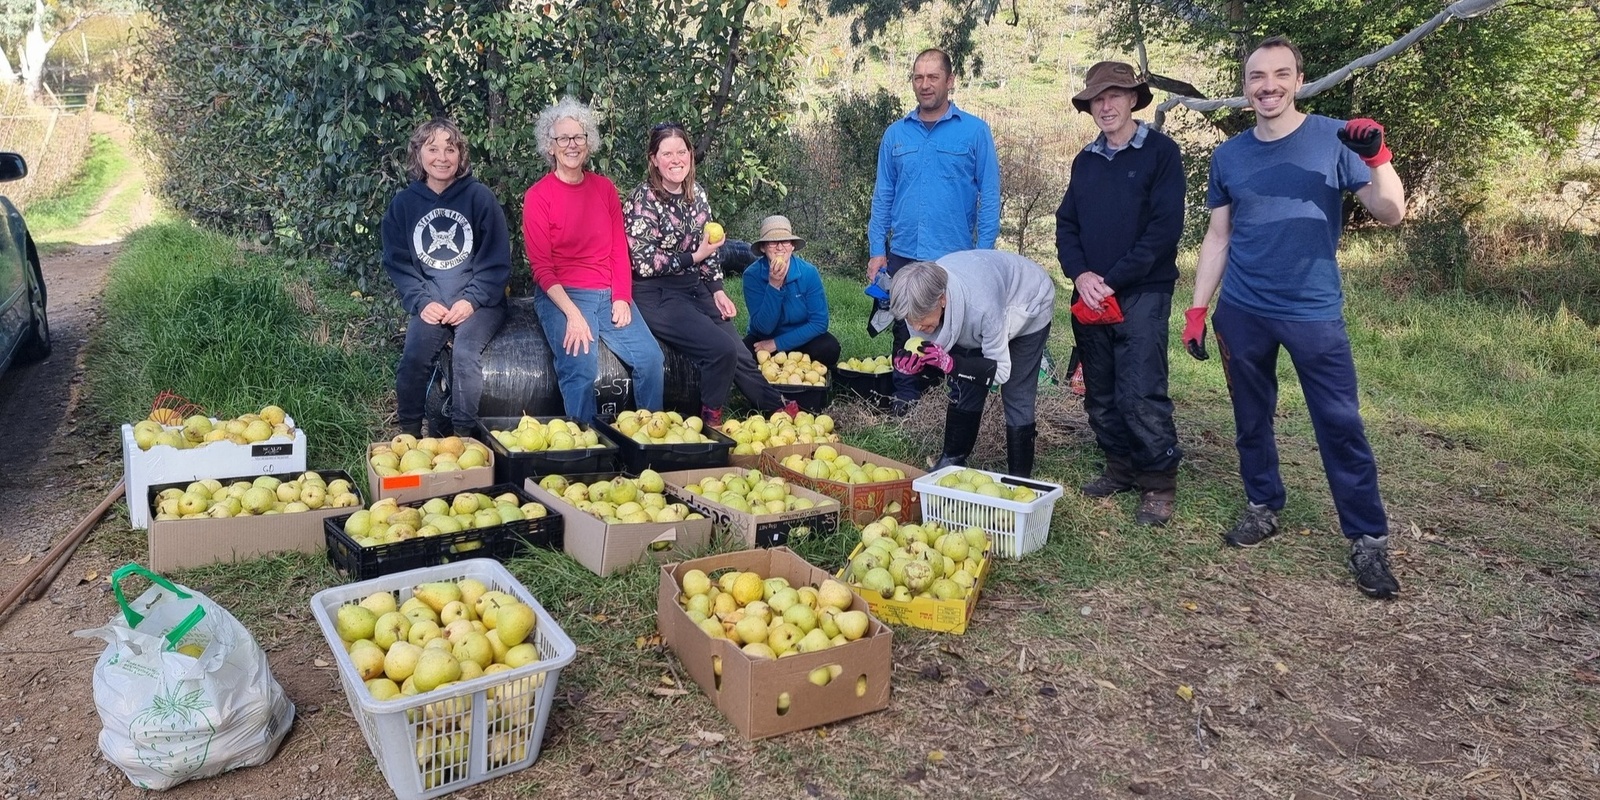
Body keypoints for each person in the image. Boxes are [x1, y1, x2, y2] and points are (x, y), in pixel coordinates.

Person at [1183, 36, 1406, 599]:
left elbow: (1391, 213)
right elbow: (1218, 236)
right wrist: (1196, 308)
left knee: (1340, 423)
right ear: (1244, 87)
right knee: (1250, 417)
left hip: (1312, 312)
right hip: (1243, 312)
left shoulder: (1335, 138)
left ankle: (1368, 538)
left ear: (1299, 80)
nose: (1269, 86)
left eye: (1281, 74)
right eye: (1257, 76)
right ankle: (1263, 504)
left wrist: (1378, 160)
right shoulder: (1229, 155)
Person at [1056, 61, 1186, 526]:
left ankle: (1157, 482)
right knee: (1100, 389)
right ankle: (1120, 466)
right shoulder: (1085, 161)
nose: (1105, 105)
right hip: (1090, 294)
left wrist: (1113, 279)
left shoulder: (1161, 153)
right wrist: (1081, 275)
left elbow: (1164, 230)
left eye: (1114, 95)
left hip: (1142, 292)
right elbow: (1067, 224)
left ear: (1134, 99)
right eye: (1097, 98)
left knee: (1140, 389)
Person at [623, 122, 798, 428]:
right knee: (719, 350)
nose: (676, 159)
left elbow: (711, 249)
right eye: (667, 153)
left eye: (681, 151)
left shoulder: (697, 196)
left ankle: (776, 410)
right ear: (653, 159)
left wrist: (717, 289)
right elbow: (643, 263)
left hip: (694, 286)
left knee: (739, 352)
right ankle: (710, 419)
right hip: (656, 293)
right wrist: (695, 255)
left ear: (690, 154)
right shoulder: (642, 200)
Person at [867, 48, 1002, 413]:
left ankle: (956, 402)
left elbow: (989, 198)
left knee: (957, 328)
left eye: (933, 77)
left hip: (955, 257)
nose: (924, 85)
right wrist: (877, 248)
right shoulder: (896, 135)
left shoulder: (975, 132)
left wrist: (983, 255)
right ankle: (906, 401)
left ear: (950, 80)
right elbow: (883, 195)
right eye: (918, 77)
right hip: (905, 251)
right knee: (904, 327)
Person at [522, 97, 664, 424]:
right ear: (550, 145)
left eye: (579, 137)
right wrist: (572, 314)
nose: (572, 145)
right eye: (563, 138)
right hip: (564, 297)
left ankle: (649, 439)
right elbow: (542, 268)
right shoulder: (538, 197)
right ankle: (584, 447)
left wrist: (622, 298)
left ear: (588, 143)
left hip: (607, 294)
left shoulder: (604, 189)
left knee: (651, 359)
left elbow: (618, 249)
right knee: (580, 367)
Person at [381, 117, 510, 437]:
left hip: (480, 303)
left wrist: (472, 300)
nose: (442, 157)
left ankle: (462, 437)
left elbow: (497, 261)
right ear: (418, 155)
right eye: (433, 148)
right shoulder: (403, 205)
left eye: (450, 149)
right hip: (432, 302)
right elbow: (398, 263)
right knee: (413, 358)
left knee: (465, 354)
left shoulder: (479, 197)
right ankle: (409, 436)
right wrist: (422, 301)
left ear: (460, 155)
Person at [890, 251, 1055, 477]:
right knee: (966, 386)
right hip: (982, 303)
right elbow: (932, 347)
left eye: (920, 319)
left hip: (1027, 301)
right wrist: (914, 366)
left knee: (1017, 391)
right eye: (911, 320)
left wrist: (952, 364)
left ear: (942, 300)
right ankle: (951, 461)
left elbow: (1001, 372)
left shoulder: (982, 307)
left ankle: (1019, 478)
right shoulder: (917, 300)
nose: (916, 326)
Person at [741, 215, 840, 369]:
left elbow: (820, 323)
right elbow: (763, 328)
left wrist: (777, 344)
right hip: (764, 338)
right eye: (773, 242)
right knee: (741, 355)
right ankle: (768, 382)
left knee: (829, 348)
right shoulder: (751, 275)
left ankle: (804, 374)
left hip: (801, 338)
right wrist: (774, 285)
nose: (780, 247)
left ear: (792, 245)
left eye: (785, 241)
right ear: (763, 247)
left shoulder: (808, 273)